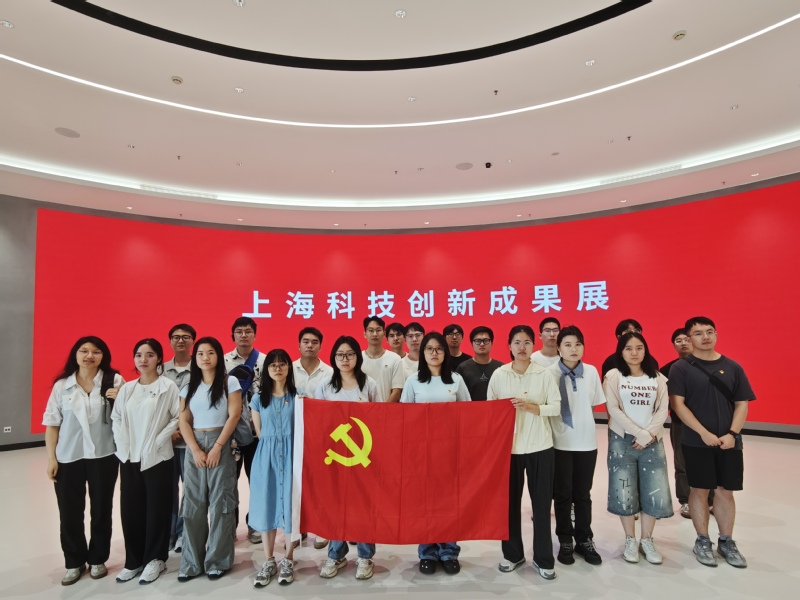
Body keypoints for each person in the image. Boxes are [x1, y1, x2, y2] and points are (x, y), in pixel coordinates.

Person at [668, 316, 755, 569]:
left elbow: (741, 404)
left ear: (716, 334)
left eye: (709, 331)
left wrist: (732, 433)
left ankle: (726, 541)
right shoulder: (681, 368)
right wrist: (702, 432)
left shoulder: (733, 367)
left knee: (725, 491)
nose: (705, 337)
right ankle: (703, 540)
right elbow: (678, 405)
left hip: (729, 442)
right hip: (696, 442)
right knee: (699, 490)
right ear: (689, 338)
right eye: (698, 333)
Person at [43, 337, 124, 586]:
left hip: (104, 455)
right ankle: (74, 561)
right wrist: (51, 458)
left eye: (96, 351)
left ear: (103, 356)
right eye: (84, 351)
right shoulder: (62, 386)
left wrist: (121, 398)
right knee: (69, 512)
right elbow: (52, 424)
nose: (90, 356)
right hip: (69, 457)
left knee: (101, 510)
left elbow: (127, 416)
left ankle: (98, 558)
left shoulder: (114, 381)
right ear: (75, 355)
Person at [488, 325, 560, 580]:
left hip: (540, 446)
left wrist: (531, 407)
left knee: (541, 506)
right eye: (517, 342)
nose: (522, 347)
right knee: (509, 506)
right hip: (509, 449)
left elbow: (556, 407)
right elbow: (490, 411)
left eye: (527, 342)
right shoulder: (499, 374)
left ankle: (543, 558)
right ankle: (512, 554)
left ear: (533, 345)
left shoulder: (544, 374)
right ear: (509, 345)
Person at [401, 331, 471, 574]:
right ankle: (427, 552)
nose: (434, 353)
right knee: (425, 503)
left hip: (450, 451)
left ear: (445, 352)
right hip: (422, 453)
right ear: (423, 353)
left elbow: (468, 413)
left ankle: (449, 551)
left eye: (439, 349)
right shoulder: (413, 381)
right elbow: (404, 417)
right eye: (429, 349)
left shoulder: (456, 380)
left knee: (449, 502)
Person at [111, 339, 180, 584]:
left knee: (157, 509)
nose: (143, 359)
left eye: (150, 355)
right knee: (131, 510)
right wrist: (123, 444)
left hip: (157, 457)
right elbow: (117, 417)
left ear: (159, 358)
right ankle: (134, 560)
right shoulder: (128, 389)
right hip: (130, 457)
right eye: (139, 355)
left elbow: (177, 417)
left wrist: (158, 440)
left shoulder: (168, 386)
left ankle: (155, 559)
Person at [315, 336, 383, 580]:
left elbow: (381, 418)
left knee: (364, 505)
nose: (345, 359)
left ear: (357, 356)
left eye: (350, 354)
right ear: (334, 358)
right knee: (336, 505)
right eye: (340, 355)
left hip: (364, 457)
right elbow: (317, 420)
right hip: (334, 458)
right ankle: (336, 554)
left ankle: (365, 555)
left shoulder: (369, 384)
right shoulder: (325, 386)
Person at [604, 331, 673, 565]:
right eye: (628, 348)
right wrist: (639, 433)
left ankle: (647, 539)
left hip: (653, 441)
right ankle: (630, 539)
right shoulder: (613, 376)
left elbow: (662, 409)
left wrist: (649, 434)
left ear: (645, 350)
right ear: (621, 352)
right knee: (624, 489)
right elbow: (613, 409)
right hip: (622, 440)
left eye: (639, 348)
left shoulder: (658, 378)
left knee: (653, 488)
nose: (634, 353)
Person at [178, 337, 242, 581]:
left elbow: (234, 415)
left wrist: (217, 447)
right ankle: (191, 563)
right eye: (200, 353)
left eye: (211, 353)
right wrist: (195, 449)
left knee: (221, 503)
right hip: (194, 444)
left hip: (220, 442)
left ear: (219, 356)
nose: (205, 357)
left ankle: (217, 560)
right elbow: (184, 420)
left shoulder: (229, 381)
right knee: (193, 504)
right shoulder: (188, 386)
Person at [547, 326, 605, 566]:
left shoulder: (591, 372)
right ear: (559, 348)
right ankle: (565, 539)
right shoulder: (549, 374)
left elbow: (592, 405)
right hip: (559, 443)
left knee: (582, 494)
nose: (573, 349)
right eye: (568, 345)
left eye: (578, 344)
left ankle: (584, 539)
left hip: (586, 443)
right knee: (562, 495)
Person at [250, 349, 299, 587]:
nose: (278, 368)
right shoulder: (258, 400)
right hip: (266, 457)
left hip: (292, 457)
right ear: (266, 369)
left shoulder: (299, 397)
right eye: (273, 365)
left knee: (291, 507)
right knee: (266, 505)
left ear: (289, 367)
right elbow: (260, 433)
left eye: (282, 364)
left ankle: (288, 558)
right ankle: (269, 560)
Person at [660, 328, 713, 518]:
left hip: (708, 423)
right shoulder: (666, 370)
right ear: (673, 345)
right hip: (679, 423)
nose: (683, 343)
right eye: (678, 340)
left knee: (708, 461)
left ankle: (710, 500)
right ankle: (685, 500)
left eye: (686, 339)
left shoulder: (709, 365)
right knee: (681, 463)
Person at [291, 326, 333, 550]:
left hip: (321, 435)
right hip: (294, 433)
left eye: (314, 342)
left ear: (320, 346)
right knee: (297, 481)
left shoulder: (329, 373)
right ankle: (299, 527)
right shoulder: (288, 369)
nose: (310, 345)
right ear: (298, 345)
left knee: (320, 482)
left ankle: (322, 528)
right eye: (306, 341)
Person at [224, 316, 265, 543]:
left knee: (256, 480)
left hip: (257, 432)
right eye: (239, 331)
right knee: (229, 482)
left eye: (248, 331)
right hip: (230, 432)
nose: (243, 335)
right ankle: (229, 525)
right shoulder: (223, 361)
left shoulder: (266, 361)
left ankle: (255, 524)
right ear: (233, 335)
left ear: (255, 334)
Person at [164, 323, 196, 553]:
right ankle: (168, 533)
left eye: (186, 337)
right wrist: (169, 432)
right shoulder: (160, 370)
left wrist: (183, 430)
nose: (181, 341)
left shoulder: (201, 367)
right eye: (176, 337)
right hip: (164, 441)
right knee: (167, 490)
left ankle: (184, 533)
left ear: (193, 341)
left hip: (190, 441)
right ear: (170, 341)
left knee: (190, 490)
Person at [361, 316, 404, 403]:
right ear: (365, 334)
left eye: (378, 330)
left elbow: (396, 391)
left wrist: (383, 409)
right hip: (362, 410)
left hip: (387, 409)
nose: (374, 334)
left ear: (384, 334)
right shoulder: (358, 358)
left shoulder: (395, 358)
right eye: (371, 330)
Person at [456, 326, 503, 401]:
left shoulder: (501, 368)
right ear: (472, 344)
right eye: (477, 341)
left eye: (486, 340)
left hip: (495, 408)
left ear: (492, 343)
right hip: (471, 408)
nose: (482, 344)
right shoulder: (463, 368)